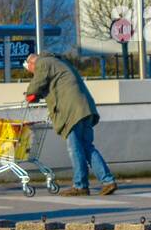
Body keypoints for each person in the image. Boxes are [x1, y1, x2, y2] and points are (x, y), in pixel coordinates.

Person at [23, 53, 116, 197]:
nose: (31, 72)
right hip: (85, 108)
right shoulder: (59, 62)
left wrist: (29, 95)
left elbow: (35, 86)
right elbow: (53, 86)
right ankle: (107, 181)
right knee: (87, 147)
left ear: (31, 63)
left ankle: (80, 185)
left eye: (29, 69)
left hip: (71, 111)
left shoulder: (42, 63)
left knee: (75, 148)